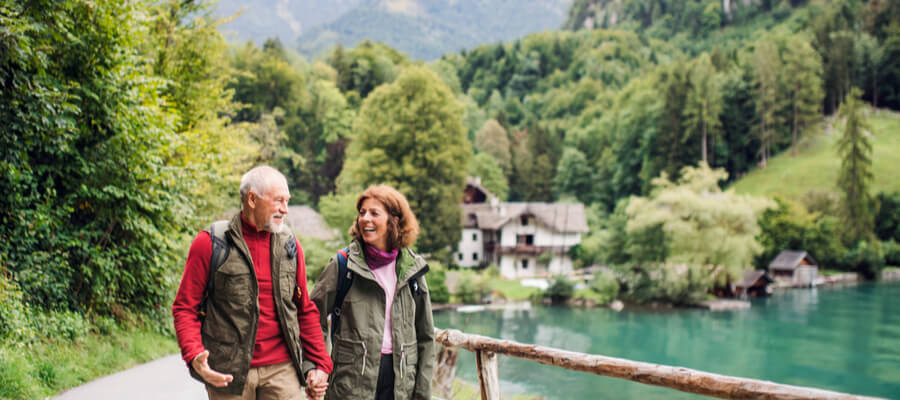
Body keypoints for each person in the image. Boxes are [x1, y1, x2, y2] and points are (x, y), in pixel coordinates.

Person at [172, 165, 332, 400]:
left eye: (287, 201)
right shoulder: (210, 242)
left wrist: (320, 363)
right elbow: (185, 307)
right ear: (252, 199)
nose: (285, 210)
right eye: (278, 201)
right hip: (228, 371)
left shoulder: (291, 246)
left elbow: (304, 309)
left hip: (282, 370)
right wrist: (194, 355)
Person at [311, 185, 434, 400]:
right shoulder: (343, 265)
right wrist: (317, 365)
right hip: (351, 382)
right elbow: (311, 315)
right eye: (362, 213)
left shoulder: (412, 269)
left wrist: (421, 393)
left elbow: (425, 335)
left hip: (401, 382)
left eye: (374, 213)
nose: (365, 218)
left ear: (394, 221)